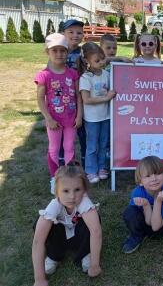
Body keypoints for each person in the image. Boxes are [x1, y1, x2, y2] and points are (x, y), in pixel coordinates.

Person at [32, 163, 102, 286]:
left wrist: (95, 265)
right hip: (60, 239)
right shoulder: (54, 205)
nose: (72, 196)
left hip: (79, 238)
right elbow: (38, 241)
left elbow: (96, 232)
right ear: (56, 192)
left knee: (94, 219)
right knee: (41, 222)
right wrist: (39, 279)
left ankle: (86, 253)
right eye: (65, 191)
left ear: (84, 190)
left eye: (77, 190)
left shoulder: (84, 202)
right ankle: (54, 256)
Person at [35, 33, 82, 193]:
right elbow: (40, 98)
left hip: (71, 119)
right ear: (47, 52)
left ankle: (69, 177)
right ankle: (54, 179)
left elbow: (78, 96)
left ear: (67, 52)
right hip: (54, 120)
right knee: (54, 148)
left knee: (69, 147)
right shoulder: (44, 75)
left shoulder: (72, 74)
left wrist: (79, 115)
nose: (59, 54)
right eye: (54, 50)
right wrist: (48, 118)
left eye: (63, 50)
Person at [122, 156, 163, 254]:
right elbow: (150, 223)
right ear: (140, 182)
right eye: (148, 176)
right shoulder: (137, 193)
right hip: (146, 225)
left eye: (157, 173)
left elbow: (156, 227)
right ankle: (137, 235)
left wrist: (158, 201)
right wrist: (146, 205)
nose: (154, 178)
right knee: (130, 212)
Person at [78, 42, 116, 183]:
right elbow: (86, 100)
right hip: (92, 119)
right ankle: (90, 171)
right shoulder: (86, 78)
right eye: (97, 60)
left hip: (106, 116)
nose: (101, 62)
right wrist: (106, 97)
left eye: (102, 59)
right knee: (92, 145)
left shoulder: (107, 74)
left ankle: (102, 168)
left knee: (104, 144)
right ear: (87, 61)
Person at [62, 19, 86, 167]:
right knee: (64, 135)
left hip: (80, 98)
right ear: (63, 34)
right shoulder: (58, 51)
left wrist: (118, 59)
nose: (75, 35)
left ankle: (85, 163)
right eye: (71, 32)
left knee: (83, 133)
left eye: (79, 32)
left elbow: (100, 59)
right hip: (63, 100)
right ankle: (64, 163)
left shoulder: (84, 52)